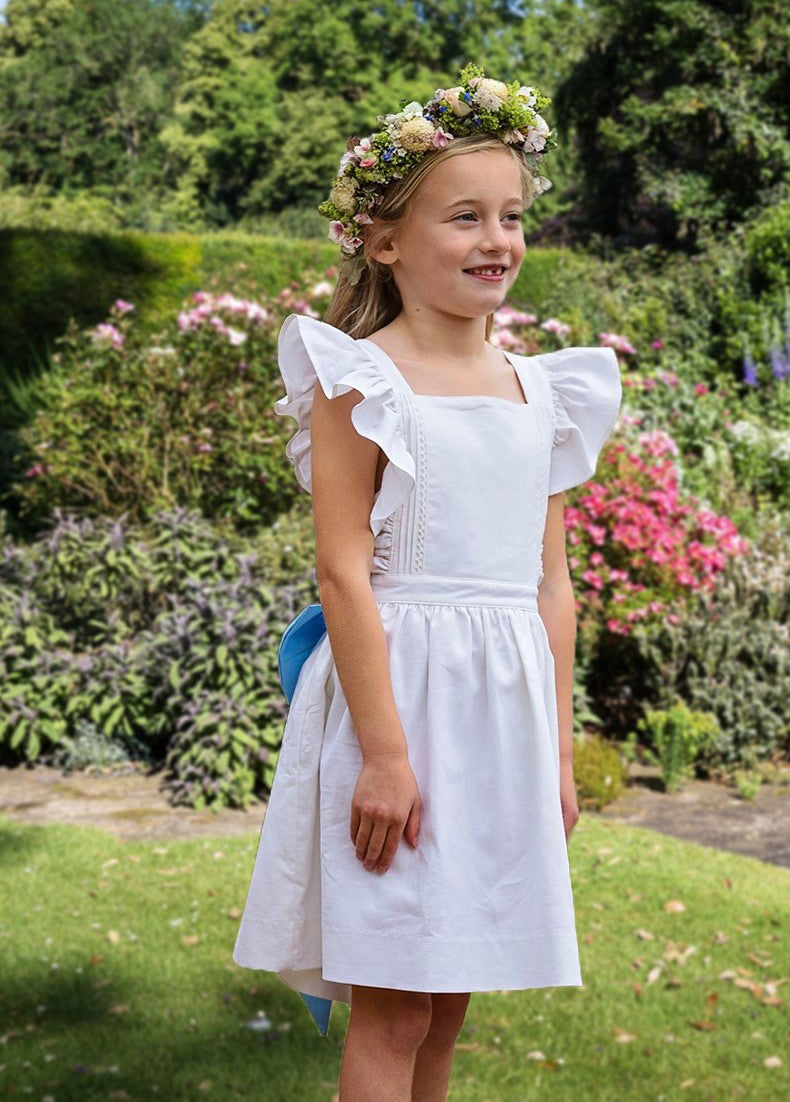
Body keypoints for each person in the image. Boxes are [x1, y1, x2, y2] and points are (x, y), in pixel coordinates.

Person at [233, 63, 623, 1102]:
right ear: (384, 238)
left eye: (511, 216)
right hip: (399, 709)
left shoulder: (544, 391)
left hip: (502, 723)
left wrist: (557, 754)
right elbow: (343, 571)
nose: (497, 240)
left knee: (452, 996)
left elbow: (553, 588)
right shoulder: (359, 377)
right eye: (464, 217)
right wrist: (387, 755)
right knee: (397, 1001)